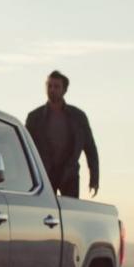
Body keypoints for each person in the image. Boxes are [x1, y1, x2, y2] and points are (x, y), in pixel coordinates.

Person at [25, 70, 99, 198]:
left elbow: (90, 149)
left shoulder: (78, 117)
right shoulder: (34, 117)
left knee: (70, 214)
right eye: (49, 86)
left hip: (69, 174)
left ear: (64, 90)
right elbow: (25, 149)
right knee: (45, 214)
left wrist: (94, 179)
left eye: (56, 86)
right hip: (44, 175)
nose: (52, 90)